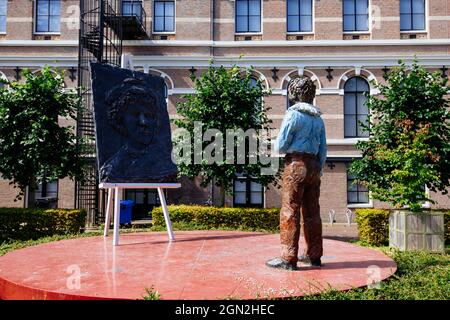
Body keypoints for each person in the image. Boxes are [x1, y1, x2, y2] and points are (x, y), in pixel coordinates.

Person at [266, 77, 327, 271]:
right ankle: (314, 256)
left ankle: (288, 257)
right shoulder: (318, 119)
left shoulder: (293, 115)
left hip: (296, 163)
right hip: (314, 166)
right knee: (312, 212)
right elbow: (323, 150)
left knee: (290, 210)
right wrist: (318, 169)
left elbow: (281, 144)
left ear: (295, 94)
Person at [99, 77, 177, 183]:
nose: (143, 122)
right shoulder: (113, 169)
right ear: (120, 119)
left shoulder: (165, 164)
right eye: (135, 114)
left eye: (149, 115)